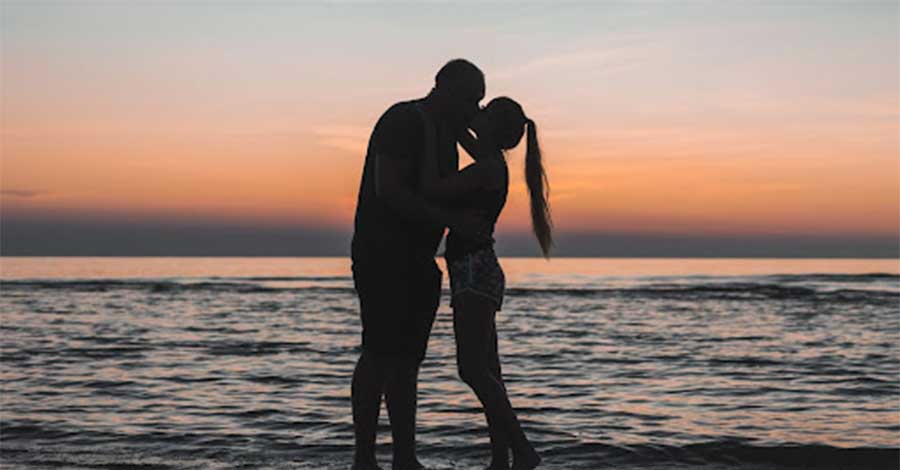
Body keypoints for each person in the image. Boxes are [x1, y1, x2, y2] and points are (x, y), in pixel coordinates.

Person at [349, 59, 487, 470]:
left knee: (406, 358)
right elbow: (388, 190)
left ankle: (405, 459)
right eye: (468, 99)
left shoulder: (445, 135)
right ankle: (365, 459)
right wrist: (453, 221)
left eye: (477, 103)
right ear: (441, 88)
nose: (472, 109)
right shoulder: (403, 120)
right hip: (382, 253)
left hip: (419, 258)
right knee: (379, 352)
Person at [416, 97, 550, 470]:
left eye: (484, 112)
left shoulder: (486, 170)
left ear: (493, 126)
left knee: (472, 370)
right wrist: (451, 116)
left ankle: (522, 451)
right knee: (490, 372)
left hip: (474, 272)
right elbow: (466, 134)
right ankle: (500, 459)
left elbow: (432, 189)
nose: (477, 114)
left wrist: (427, 134)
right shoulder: (491, 162)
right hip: (477, 269)